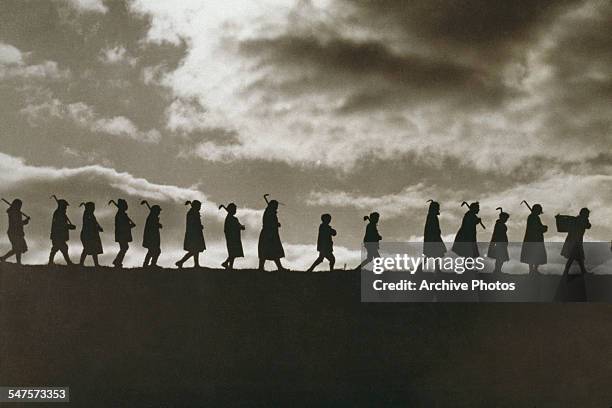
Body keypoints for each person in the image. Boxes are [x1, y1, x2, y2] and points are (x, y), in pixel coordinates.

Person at [258, 197, 287, 272]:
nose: (277, 208)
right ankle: (262, 267)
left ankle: (278, 267)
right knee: (268, 250)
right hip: (269, 234)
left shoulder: (270, 212)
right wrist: (276, 224)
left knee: (272, 251)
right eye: (276, 206)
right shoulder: (269, 213)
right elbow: (269, 223)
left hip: (270, 234)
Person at [176, 200, 206, 268]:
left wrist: (199, 226)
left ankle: (194, 264)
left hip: (195, 234)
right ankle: (181, 262)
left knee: (195, 250)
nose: (200, 208)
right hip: (193, 235)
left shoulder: (194, 213)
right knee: (194, 250)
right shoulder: (192, 213)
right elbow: (193, 224)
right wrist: (199, 226)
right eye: (199, 206)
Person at [561, 208, 591, 275]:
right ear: (584, 214)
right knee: (575, 257)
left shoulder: (576, 219)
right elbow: (588, 226)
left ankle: (582, 271)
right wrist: (586, 221)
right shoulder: (582, 220)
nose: (588, 216)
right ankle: (566, 272)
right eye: (587, 214)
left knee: (578, 257)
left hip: (574, 241)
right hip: (575, 241)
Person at [520, 202, 547, 273]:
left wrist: (543, 228)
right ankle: (532, 270)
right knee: (532, 254)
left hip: (534, 239)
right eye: (539, 210)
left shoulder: (533, 217)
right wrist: (544, 228)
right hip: (533, 239)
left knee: (534, 254)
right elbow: (536, 228)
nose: (539, 212)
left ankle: (534, 270)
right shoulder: (533, 217)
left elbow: (537, 227)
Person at [0, 199, 29, 265]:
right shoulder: (13, 212)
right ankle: (18, 262)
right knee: (17, 248)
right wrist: (24, 222)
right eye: (19, 205)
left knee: (17, 248)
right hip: (13, 232)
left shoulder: (16, 212)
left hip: (17, 233)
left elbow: (19, 223)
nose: (20, 207)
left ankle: (4, 258)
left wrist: (24, 222)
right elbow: (16, 223)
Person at [49, 197, 75, 265]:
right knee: (61, 248)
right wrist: (69, 226)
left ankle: (51, 262)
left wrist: (68, 226)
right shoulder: (58, 214)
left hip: (59, 235)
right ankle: (68, 262)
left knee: (60, 248)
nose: (66, 208)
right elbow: (60, 225)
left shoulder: (61, 213)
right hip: (58, 235)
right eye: (65, 206)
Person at [220, 203, 245, 270]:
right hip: (232, 238)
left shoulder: (231, 218)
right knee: (233, 253)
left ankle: (228, 265)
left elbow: (237, 226)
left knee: (233, 253)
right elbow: (234, 227)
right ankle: (227, 264)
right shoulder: (232, 219)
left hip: (233, 238)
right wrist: (240, 227)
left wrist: (240, 226)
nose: (235, 211)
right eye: (234, 209)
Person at [111, 199, 136, 268]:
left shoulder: (122, 214)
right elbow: (122, 225)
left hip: (121, 234)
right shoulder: (120, 215)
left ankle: (117, 261)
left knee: (124, 247)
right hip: (121, 234)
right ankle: (117, 262)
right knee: (124, 247)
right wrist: (130, 225)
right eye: (125, 205)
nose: (126, 206)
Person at [79, 202, 104, 267]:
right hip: (87, 234)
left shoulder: (91, 214)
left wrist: (98, 227)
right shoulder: (87, 214)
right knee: (87, 249)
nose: (94, 209)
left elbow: (94, 223)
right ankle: (81, 263)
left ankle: (96, 264)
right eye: (93, 207)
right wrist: (97, 227)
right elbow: (90, 224)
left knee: (93, 249)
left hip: (91, 235)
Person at [487, 207, 510, 274]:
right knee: (500, 258)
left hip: (502, 243)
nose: (506, 220)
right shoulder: (499, 224)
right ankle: (497, 270)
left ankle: (498, 270)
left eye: (506, 219)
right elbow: (497, 234)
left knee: (501, 258)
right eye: (505, 218)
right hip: (499, 243)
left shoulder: (501, 224)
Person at [142, 204, 162, 268]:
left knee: (152, 251)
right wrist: (158, 224)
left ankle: (148, 264)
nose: (159, 212)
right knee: (155, 250)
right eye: (158, 211)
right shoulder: (152, 217)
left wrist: (157, 223)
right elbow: (152, 227)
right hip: (151, 238)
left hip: (153, 237)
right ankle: (151, 264)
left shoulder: (152, 217)